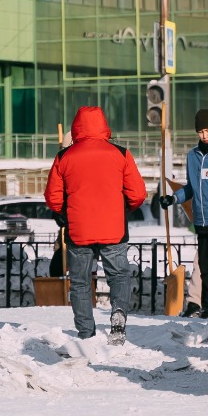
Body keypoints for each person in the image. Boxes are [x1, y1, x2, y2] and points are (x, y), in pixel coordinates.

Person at [44, 106, 148, 344]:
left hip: (79, 229)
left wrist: (64, 212)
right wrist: (124, 209)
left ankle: (85, 332)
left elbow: (53, 197)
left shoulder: (64, 157)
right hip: (113, 227)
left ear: (76, 126)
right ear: (104, 125)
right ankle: (118, 315)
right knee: (119, 275)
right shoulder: (120, 153)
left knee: (80, 281)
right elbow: (138, 193)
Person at [158, 110, 208, 318]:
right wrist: (174, 198)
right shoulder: (193, 155)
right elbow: (191, 188)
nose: (204, 135)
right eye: (201, 131)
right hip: (203, 223)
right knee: (206, 271)